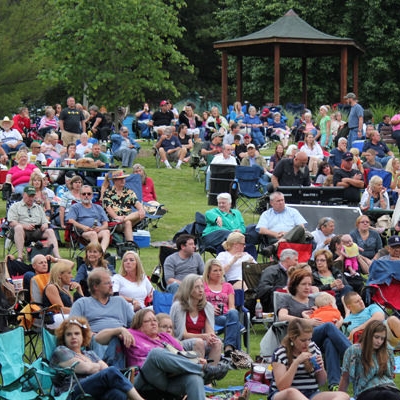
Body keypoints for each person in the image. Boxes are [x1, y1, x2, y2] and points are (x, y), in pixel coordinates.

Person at [95, 309, 229, 399]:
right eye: (149, 321)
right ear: (139, 324)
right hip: (143, 378)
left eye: (155, 320)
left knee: (194, 379)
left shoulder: (165, 337)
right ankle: (205, 371)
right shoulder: (131, 334)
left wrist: (196, 361)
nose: (154, 323)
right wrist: (119, 330)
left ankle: (201, 370)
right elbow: (98, 339)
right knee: (155, 353)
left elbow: (181, 355)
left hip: (169, 378)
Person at [277, 269, 352, 391]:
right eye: (304, 284)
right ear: (295, 285)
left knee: (329, 342)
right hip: (299, 338)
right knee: (328, 327)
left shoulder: (314, 300)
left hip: (318, 339)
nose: (308, 287)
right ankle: (355, 355)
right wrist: (306, 321)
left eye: (309, 284)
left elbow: (333, 312)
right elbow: (282, 316)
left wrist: (340, 321)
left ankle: (334, 383)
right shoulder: (287, 300)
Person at [50, 317, 144, 400]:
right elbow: (86, 369)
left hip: (95, 389)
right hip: (72, 391)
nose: (73, 337)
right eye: (69, 334)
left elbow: (105, 369)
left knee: (118, 394)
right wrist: (96, 367)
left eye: (77, 333)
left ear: (83, 336)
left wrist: (93, 367)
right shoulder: (61, 351)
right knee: (111, 372)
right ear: (64, 337)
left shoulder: (89, 353)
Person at [269, 318, 349, 400]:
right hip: (284, 395)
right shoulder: (280, 353)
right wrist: (296, 362)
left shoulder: (313, 348)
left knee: (343, 396)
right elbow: (282, 387)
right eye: (303, 340)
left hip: (311, 393)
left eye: (309, 339)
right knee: (292, 392)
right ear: (292, 338)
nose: (307, 343)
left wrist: (321, 368)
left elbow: (321, 382)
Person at [339, 320, 400, 400]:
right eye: (376, 337)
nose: (379, 341)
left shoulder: (387, 351)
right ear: (368, 335)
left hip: (389, 387)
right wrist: (339, 396)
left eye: (382, 339)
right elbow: (345, 378)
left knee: (390, 395)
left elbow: (390, 376)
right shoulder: (354, 350)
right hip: (367, 390)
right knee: (386, 395)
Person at [170, 274, 223, 365]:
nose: (201, 290)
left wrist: (211, 337)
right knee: (199, 342)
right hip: (181, 343)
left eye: (202, 286)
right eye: (197, 287)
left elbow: (210, 332)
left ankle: (210, 372)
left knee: (217, 342)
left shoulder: (207, 307)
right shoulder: (179, 306)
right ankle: (198, 373)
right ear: (188, 289)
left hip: (200, 341)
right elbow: (183, 334)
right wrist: (203, 336)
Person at [70, 268, 133, 334]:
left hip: (121, 338)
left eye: (111, 282)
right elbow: (72, 326)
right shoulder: (82, 303)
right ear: (95, 286)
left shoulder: (120, 301)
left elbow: (136, 324)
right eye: (107, 283)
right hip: (96, 339)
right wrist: (89, 334)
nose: (111, 285)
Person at [7, 185, 61, 261]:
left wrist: (45, 224)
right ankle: (20, 257)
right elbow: (12, 222)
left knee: (50, 231)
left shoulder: (38, 208)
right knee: (18, 227)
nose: (31, 198)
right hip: (22, 232)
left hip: (36, 231)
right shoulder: (15, 206)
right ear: (24, 195)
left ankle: (57, 257)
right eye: (29, 196)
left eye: (33, 196)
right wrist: (24, 226)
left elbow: (45, 221)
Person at [203, 258, 242, 356]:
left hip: (226, 315)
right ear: (208, 273)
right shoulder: (203, 286)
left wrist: (230, 314)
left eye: (220, 270)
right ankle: (234, 352)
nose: (218, 273)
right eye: (215, 271)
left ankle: (228, 346)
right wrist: (210, 309)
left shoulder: (228, 286)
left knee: (233, 313)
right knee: (235, 324)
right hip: (209, 317)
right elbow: (199, 304)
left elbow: (232, 306)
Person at [256, 191, 308, 255]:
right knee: (284, 242)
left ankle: (275, 246)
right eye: (278, 201)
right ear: (271, 203)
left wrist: (287, 234)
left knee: (300, 228)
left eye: (282, 200)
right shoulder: (266, 214)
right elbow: (261, 229)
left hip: (294, 239)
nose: (281, 202)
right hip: (275, 238)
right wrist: (275, 234)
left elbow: (301, 227)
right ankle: (277, 244)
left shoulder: (293, 211)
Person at [102, 170, 145, 242]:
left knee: (140, 212)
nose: (123, 181)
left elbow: (136, 202)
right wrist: (116, 217)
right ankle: (130, 243)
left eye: (124, 178)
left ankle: (124, 220)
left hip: (127, 218)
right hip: (114, 220)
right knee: (128, 222)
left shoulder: (129, 192)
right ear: (115, 181)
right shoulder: (108, 192)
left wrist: (141, 209)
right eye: (120, 179)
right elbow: (108, 208)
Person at [67, 185, 110, 252]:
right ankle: (98, 253)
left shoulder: (98, 207)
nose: (86, 196)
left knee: (107, 232)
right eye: (84, 194)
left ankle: (101, 253)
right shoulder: (75, 207)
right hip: (84, 232)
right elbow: (70, 220)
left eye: (89, 194)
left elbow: (106, 224)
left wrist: (100, 228)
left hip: (98, 230)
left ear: (92, 195)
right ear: (80, 195)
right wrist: (83, 227)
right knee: (93, 234)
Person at [43, 260, 83, 328]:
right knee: (84, 319)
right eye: (69, 273)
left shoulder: (64, 289)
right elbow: (61, 309)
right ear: (59, 275)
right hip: (54, 318)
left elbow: (79, 304)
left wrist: (79, 289)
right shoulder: (51, 287)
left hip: (66, 316)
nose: (72, 276)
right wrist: (81, 311)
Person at [312, 249, 352, 316]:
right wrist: (330, 286)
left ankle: (347, 314)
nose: (319, 263)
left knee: (347, 288)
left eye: (322, 260)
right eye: (317, 260)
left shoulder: (336, 271)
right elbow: (315, 289)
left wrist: (341, 285)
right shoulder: (313, 275)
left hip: (341, 296)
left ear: (328, 262)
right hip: (327, 299)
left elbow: (346, 285)